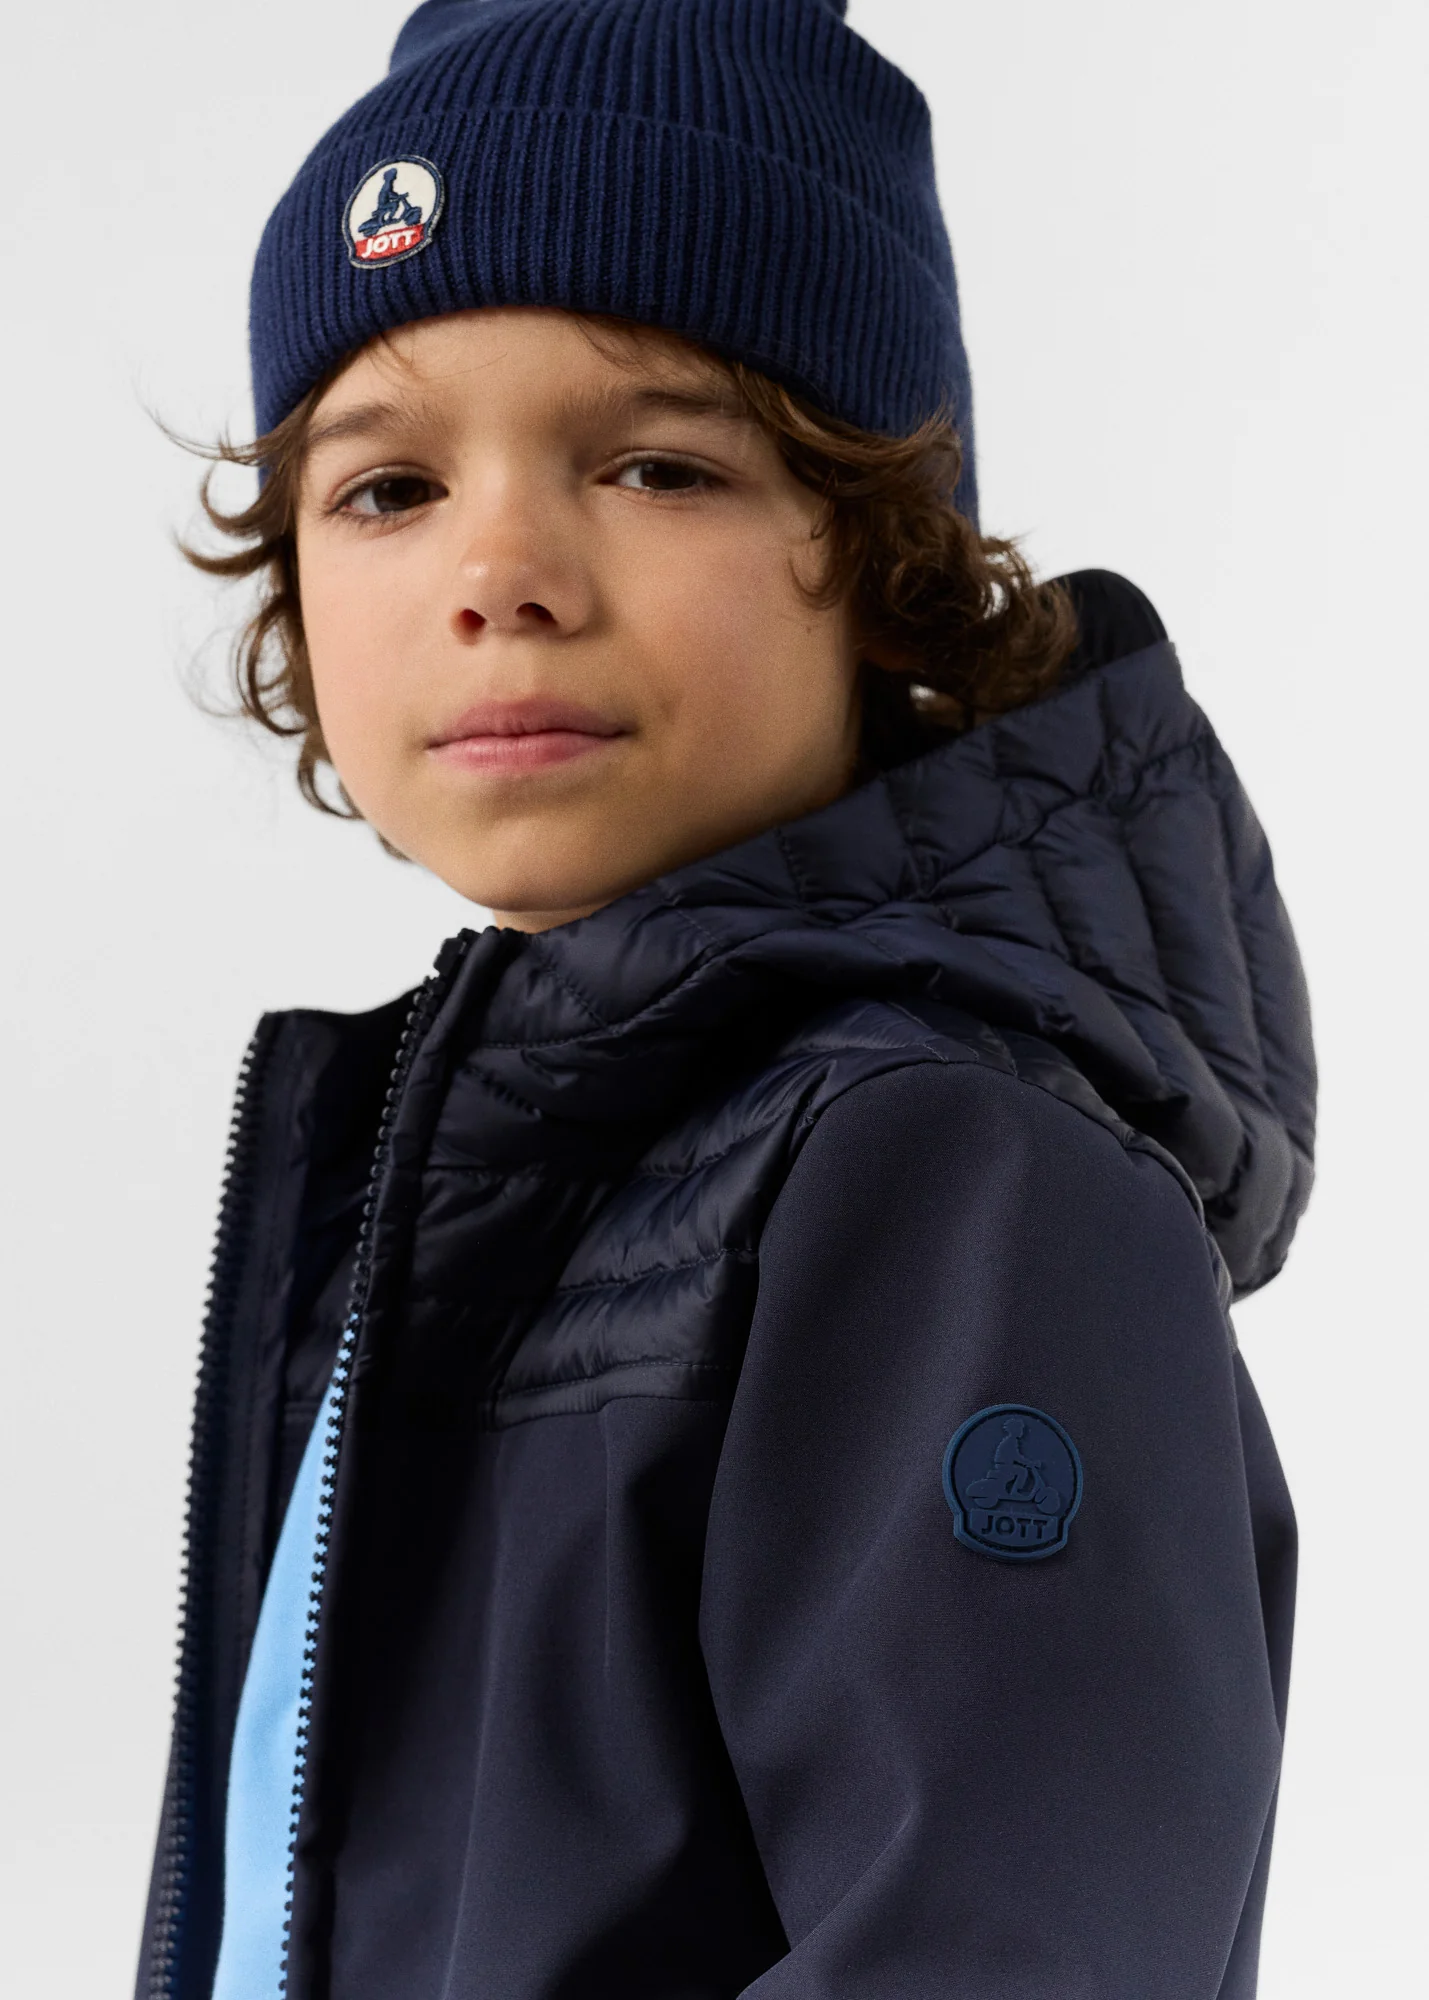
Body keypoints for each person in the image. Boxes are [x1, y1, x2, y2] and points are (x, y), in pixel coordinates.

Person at [136, 2, 1313, 1997]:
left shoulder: (959, 1183)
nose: (500, 570)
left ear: (885, 560)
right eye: (388, 488)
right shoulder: (475, 1166)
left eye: (658, 463)